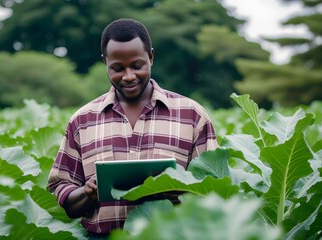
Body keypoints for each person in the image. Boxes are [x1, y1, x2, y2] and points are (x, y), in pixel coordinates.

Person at [47, 18, 219, 238]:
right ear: (105, 62)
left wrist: (183, 190)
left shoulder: (192, 115)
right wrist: (87, 192)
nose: (129, 76)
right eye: (117, 68)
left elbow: (213, 188)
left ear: (151, 57)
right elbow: (62, 189)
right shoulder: (82, 120)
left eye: (137, 66)